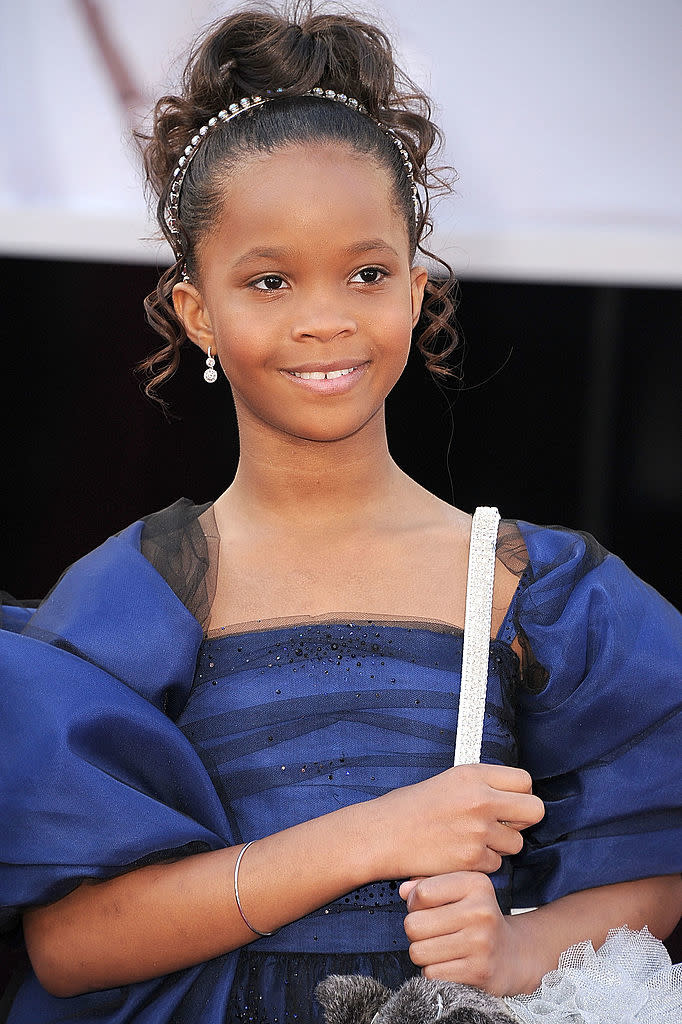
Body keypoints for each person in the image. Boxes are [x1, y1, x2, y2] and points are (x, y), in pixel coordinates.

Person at [1, 6, 681, 1023]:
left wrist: (517, 945)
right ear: (199, 312)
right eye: (269, 279)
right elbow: (66, 946)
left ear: (415, 290)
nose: (324, 316)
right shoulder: (136, 597)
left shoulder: (533, 586)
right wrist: (374, 834)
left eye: (365, 272)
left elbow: (658, 849)